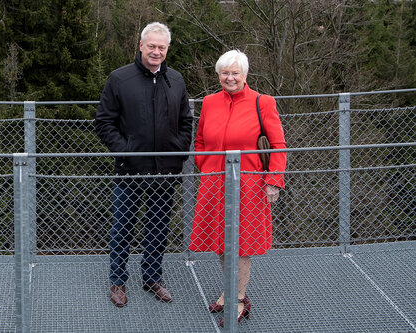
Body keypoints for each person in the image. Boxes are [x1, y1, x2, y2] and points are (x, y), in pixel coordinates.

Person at [95, 22, 193, 307]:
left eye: (161, 47)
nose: (156, 51)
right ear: (140, 45)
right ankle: (118, 281)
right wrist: (124, 151)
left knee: (158, 226)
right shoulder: (119, 79)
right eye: (151, 46)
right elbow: (103, 122)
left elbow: (186, 121)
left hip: (166, 170)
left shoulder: (176, 79)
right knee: (123, 226)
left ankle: (152, 277)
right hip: (131, 169)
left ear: (167, 49)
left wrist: (178, 151)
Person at [189, 49, 286, 325]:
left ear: (245, 75)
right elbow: (200, 141)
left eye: (235, 73)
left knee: (242, 244)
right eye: (224, 73)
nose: (229, 78)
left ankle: (238, 298)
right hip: (214, 182)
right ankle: (231, 290)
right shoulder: (209, 102)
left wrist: (273, 181)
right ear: (218, 74)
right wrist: (205, 166)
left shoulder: (262, 102)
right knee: (220, 241)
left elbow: (278, 145)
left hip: (249, 185)